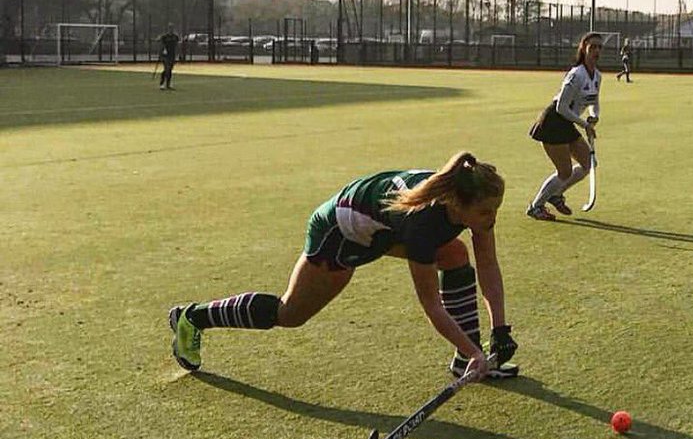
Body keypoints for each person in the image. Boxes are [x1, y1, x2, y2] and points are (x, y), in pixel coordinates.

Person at [169, 152, 518, 382]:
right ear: (458, 204)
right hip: (339, 233)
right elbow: (431, 306)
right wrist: (478, 353)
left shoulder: (468, 203)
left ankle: (463, 359)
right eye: (487, 211)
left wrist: (499, 330)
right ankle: (194, 317)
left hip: (380, 228)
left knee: (455, 254)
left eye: (496, 209)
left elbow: (488, 265)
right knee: (290, 313)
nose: (492, 218)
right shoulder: (424, 224)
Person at [526, 30, 601, 220]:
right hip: (554, 122)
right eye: (592, 47)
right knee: (565, 171)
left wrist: (594, 117)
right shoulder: (576, 75)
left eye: (599, 47)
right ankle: (536, 206)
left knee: (587, 164)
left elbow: (594, 102)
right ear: (584, 49)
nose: (596, 51)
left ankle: (555, 194)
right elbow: (561, 107)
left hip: (568, 123)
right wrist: (584, 124)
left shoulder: (597, 76)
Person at [158, 25, 180, 90]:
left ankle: (168, 84)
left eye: (172, 28)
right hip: (165, 56)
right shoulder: (164, 37)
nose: (171, 30)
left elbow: (177, 46)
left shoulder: (175, 37)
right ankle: (162, 84)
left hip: (172, 55)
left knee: (169, 69)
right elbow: (161, 44)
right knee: (167, 69)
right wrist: (161, 52)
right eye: (169, 28)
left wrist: (178, 54)